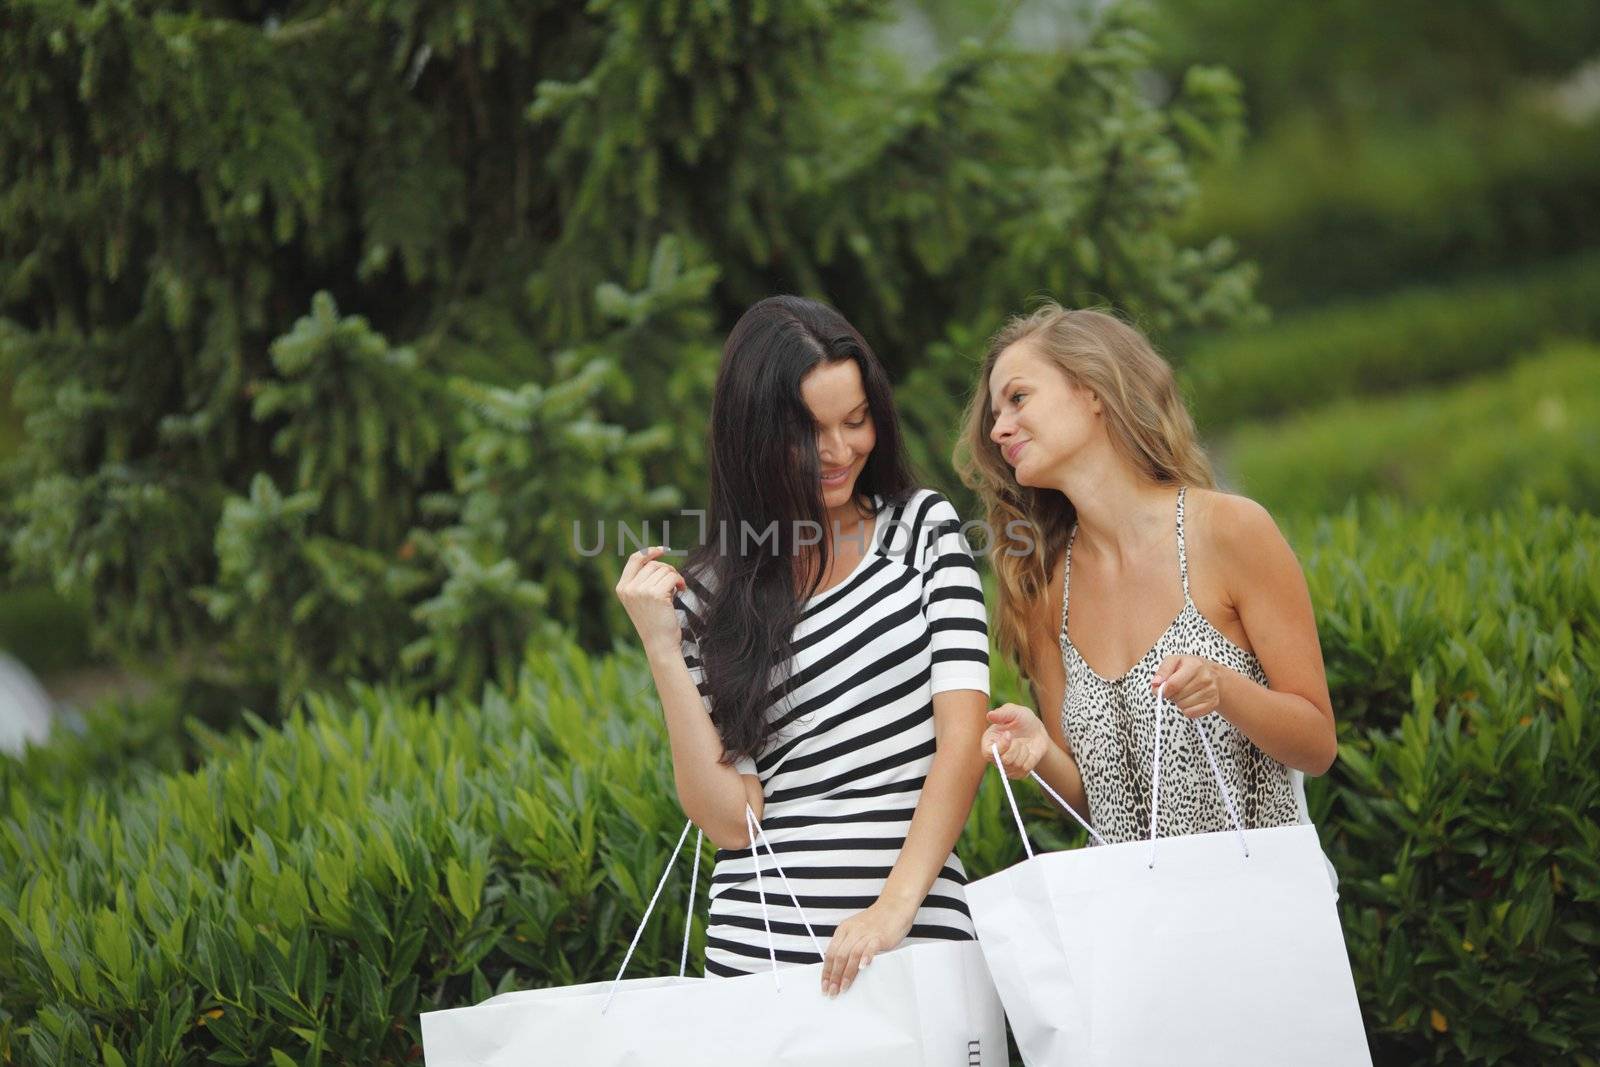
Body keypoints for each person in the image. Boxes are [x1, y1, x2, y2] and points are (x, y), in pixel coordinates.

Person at [614, 295, 991, 998]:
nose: (840, 451)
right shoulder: (709, 592)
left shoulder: (924, 532)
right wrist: (664, 648)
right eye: (810, 432)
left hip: (917, 946)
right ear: (752, 434)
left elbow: (961, 739)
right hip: (761, 963)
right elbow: (733, 819)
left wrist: (893, 907)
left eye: (856, 421)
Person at [957, 303, 1337, 844]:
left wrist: (1224, 689)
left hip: (1251, 910)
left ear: (1092, 391)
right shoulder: (1043, 593)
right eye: (995, 414)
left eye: (1018, 398)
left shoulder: (1230, 531)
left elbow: (1318, 744)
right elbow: (1094, 800)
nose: (999, 429)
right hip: (1132, 921)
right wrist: (1040, 751)